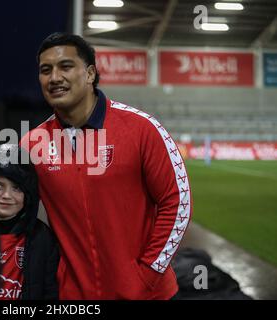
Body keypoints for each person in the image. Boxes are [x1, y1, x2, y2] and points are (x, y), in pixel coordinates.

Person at [20, 32, 192, 300]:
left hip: (146, 294)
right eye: (46, 70)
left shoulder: (142, 128)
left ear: (90, 74)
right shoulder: (31, 145)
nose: (54, 78)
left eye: (66, 66)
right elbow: (10, 211)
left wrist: (147, 273)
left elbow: (177, 202)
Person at [0, 144, 59, 300]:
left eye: (16, 188)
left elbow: (50, 293)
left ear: (28, 194)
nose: (6, 195)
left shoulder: (42, 238)